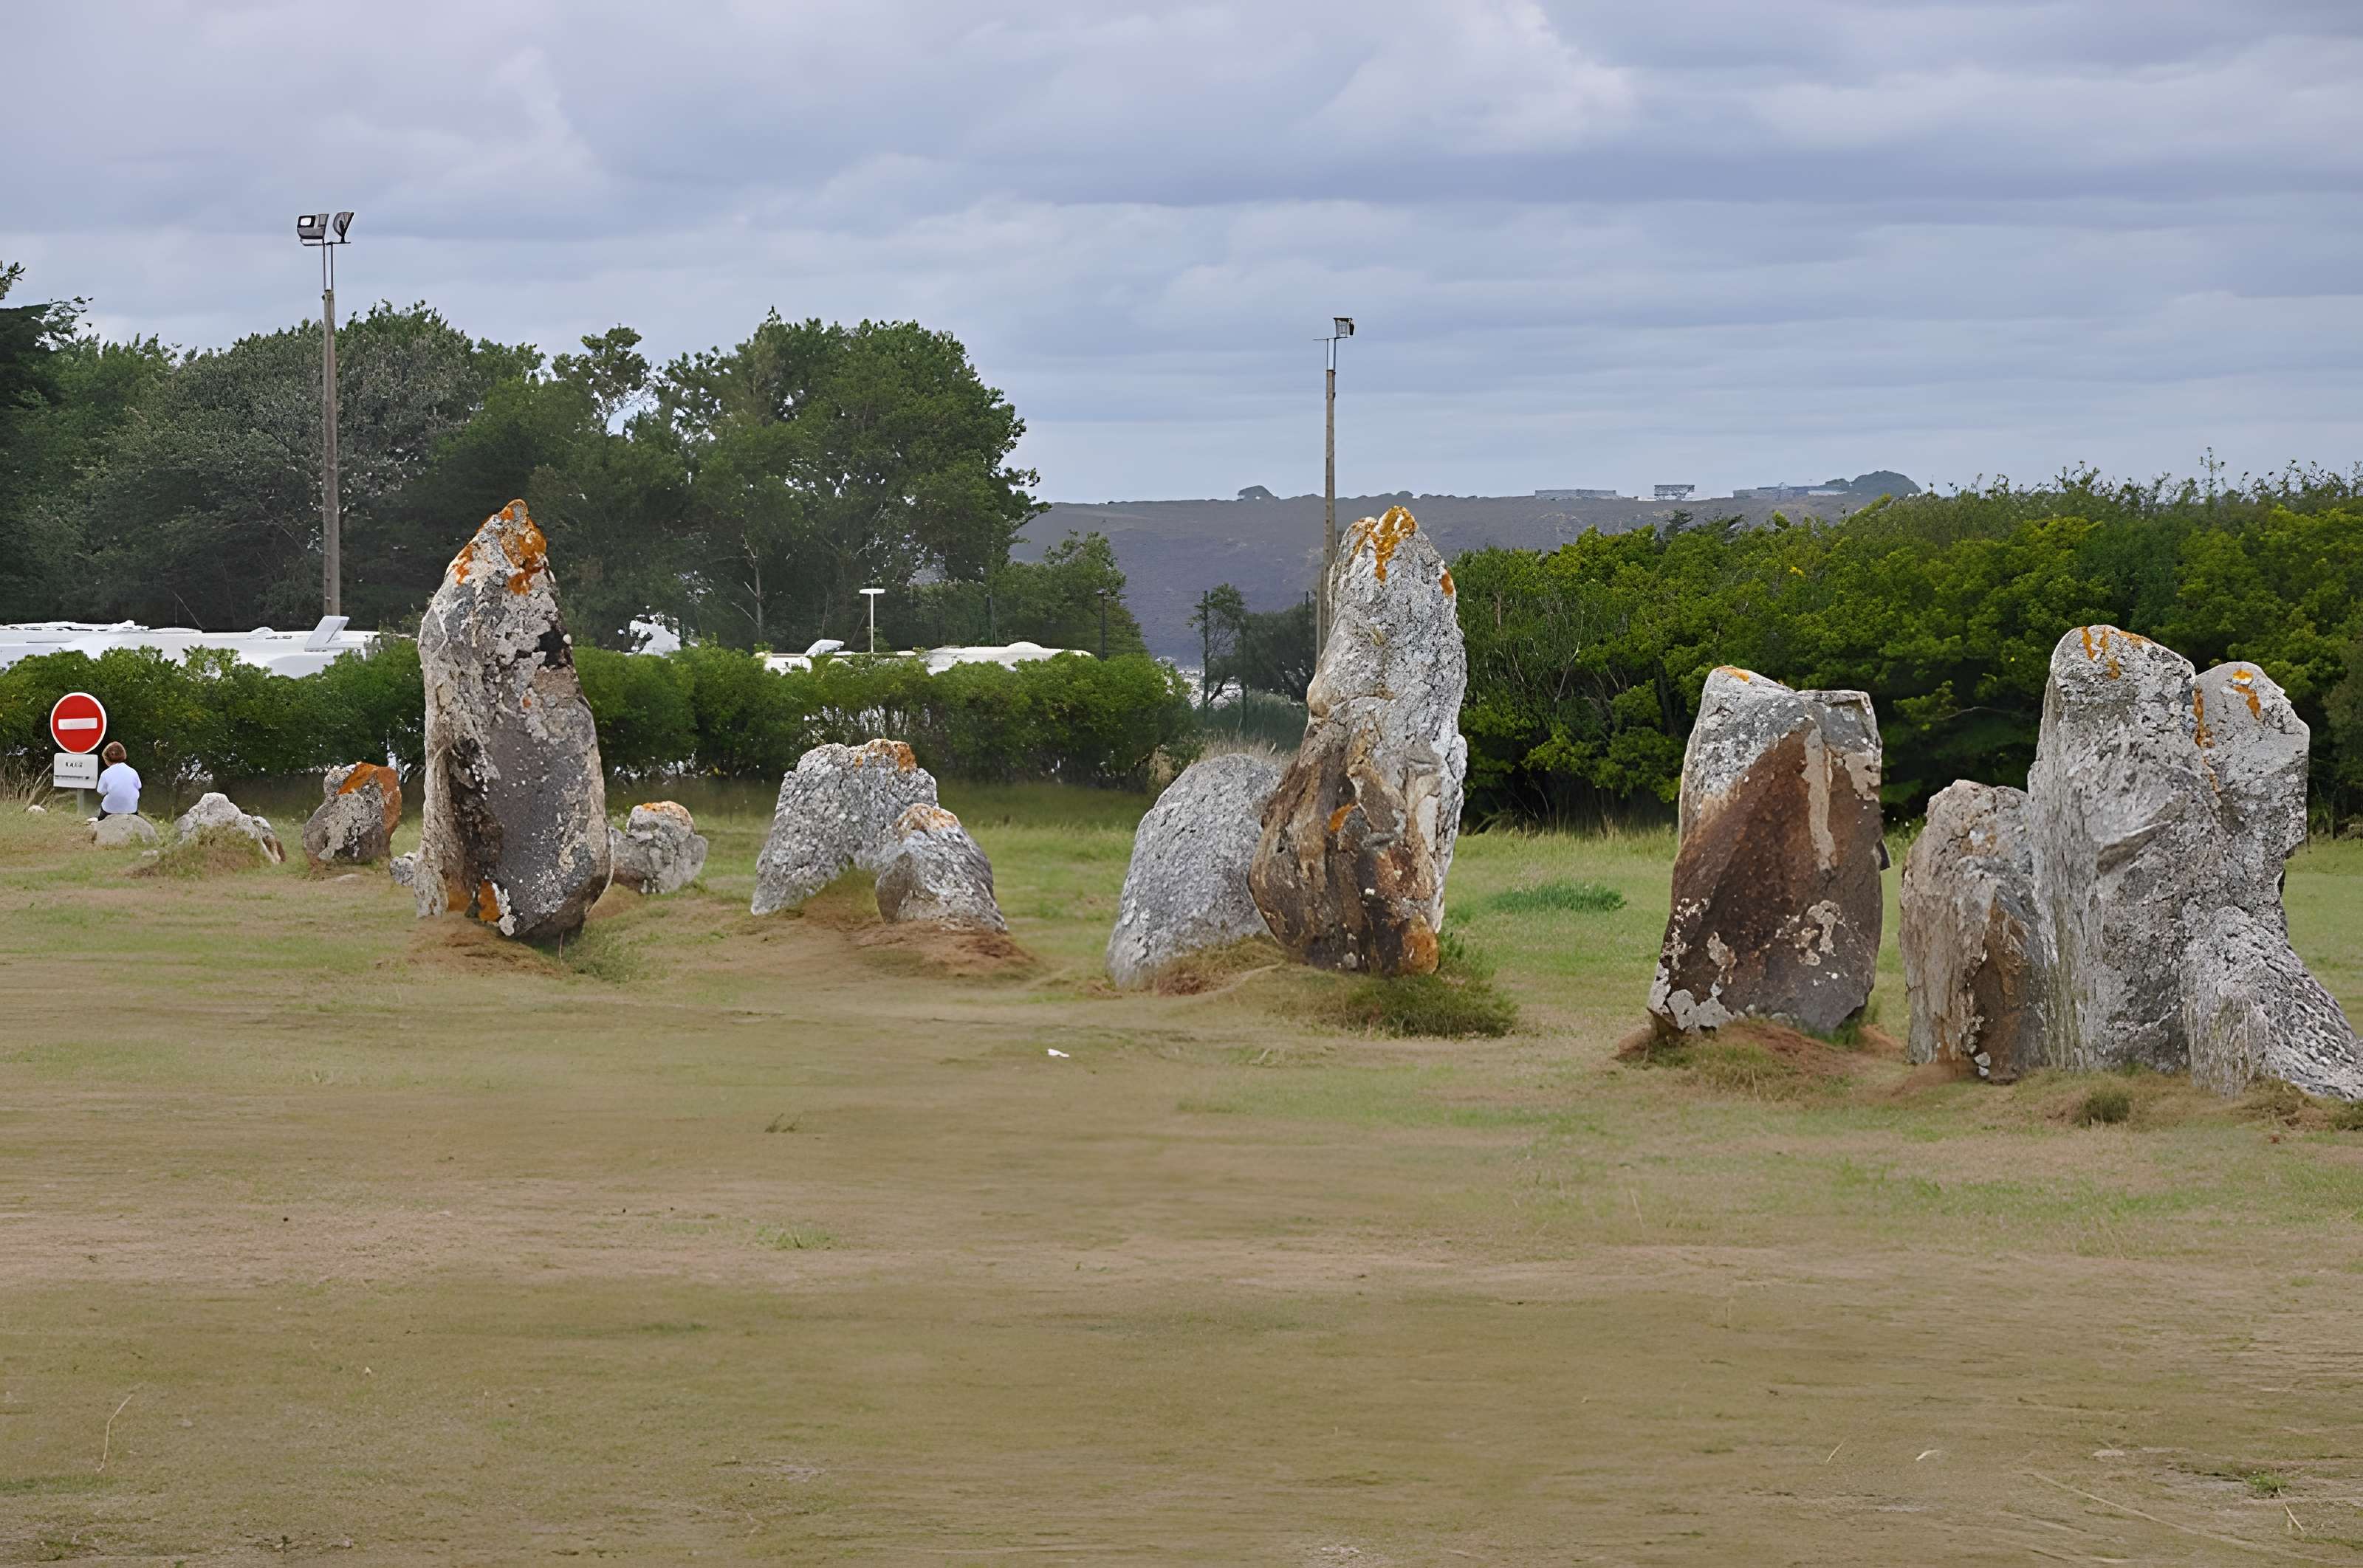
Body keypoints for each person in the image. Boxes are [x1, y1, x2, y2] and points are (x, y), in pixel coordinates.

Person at [95, 741, 141, 820]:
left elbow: (101, 791)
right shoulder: (133, 771)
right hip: (131, 809)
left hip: (110, 810)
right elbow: (139, 786)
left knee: (102, 813)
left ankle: (101, 823)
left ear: (107, 759)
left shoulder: (106, 773)